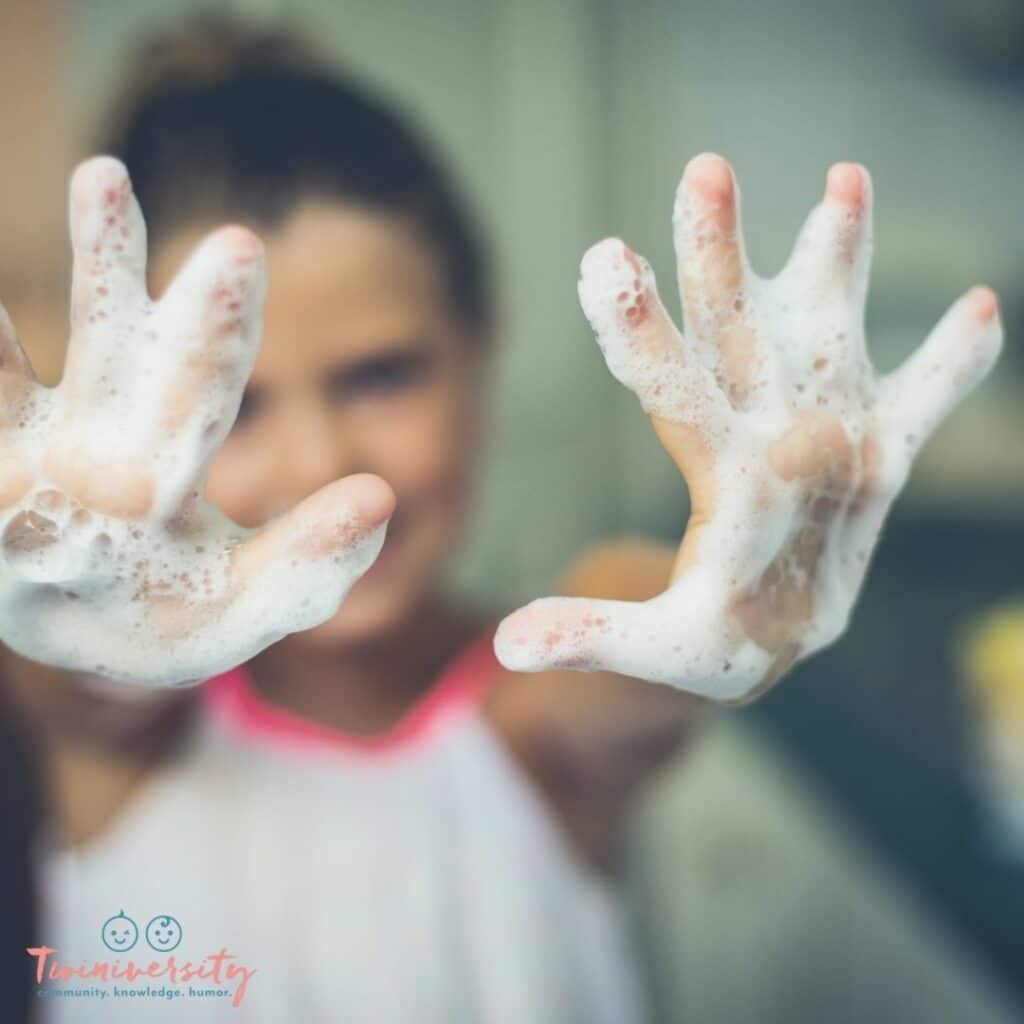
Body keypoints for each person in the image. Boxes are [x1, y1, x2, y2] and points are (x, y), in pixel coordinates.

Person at [0, 13, 1006, 1023]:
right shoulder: (116, 735)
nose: (323, 465)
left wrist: (728, 598)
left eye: (382, 374)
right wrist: (77, 589)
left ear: (480, 352)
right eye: (240, 405)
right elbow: (84, 684)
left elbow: (630, 619)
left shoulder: (536, 721)